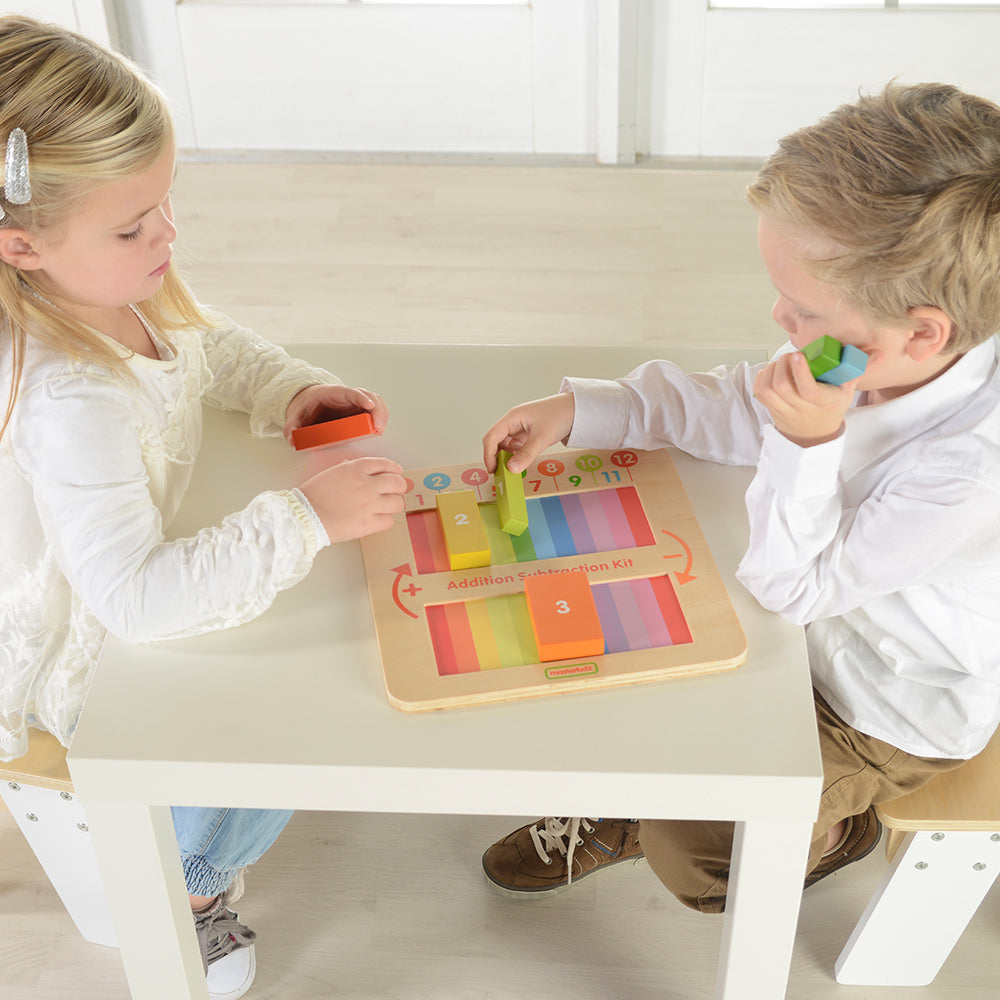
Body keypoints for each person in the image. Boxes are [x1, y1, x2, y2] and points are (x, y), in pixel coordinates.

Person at [478, 82, 1000, 914]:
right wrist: (590, 409)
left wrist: (805, 443)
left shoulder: (971, 470)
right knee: (609, 632)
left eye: (802, 310)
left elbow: (795, 585)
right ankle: (656, 782)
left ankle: (832, 832)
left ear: (923, 332)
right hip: (801, 619)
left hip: (882, 702)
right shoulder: (873, 347)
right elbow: (734, 405)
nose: (778, 316)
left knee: (693, 857)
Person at [0, 15, 406, 998]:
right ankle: (186, 890)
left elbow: (204, 342)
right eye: (135, 225)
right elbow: (134, 603)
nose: (168, 235)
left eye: (164, 204)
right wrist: (301, 518)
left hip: (138, 549)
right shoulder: (68, 398)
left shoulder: (103, 286)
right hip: (78, 641)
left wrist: (289, 390)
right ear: (23, 246)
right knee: (263, 710)